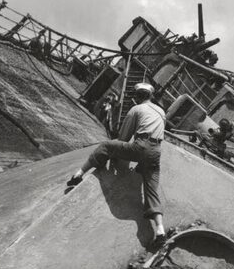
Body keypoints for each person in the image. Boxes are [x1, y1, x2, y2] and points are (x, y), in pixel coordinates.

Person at [68, 83, 167, 244]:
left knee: (107, 146)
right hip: (156, 152)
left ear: (138, 97)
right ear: (150, 96)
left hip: (141, 146)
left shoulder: (136, 109)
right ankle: (160, 230)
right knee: (151, 189)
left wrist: (117, 153)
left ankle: (79, 173)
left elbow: (124, 138)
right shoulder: (161, 112)